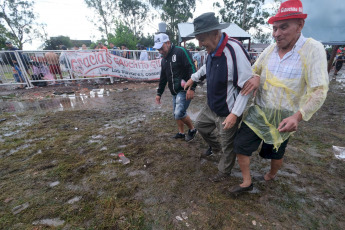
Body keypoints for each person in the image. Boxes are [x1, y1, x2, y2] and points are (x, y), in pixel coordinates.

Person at [229, 0, 329, 195]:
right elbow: (255, 69)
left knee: (275, 152)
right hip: (259, 112)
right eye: (274, 28)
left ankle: (272, 174)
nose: (276, 34)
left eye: (283, 27)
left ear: (300, 25)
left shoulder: (312, 49)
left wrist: (297, 116)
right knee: (240, 145)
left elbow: (319, 90)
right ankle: (247, 182)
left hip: (285, 116)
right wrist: (256, 77)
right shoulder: (270, 50)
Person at [184, 12, 257, 182]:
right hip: (211, 105)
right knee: (200, 125)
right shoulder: (212, 49)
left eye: (202, 39)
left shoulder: (234, 50)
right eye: (197, 39)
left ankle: (224, 172)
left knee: (228, 146)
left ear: (216, 33)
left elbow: (245, 88)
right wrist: (193, 78)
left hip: (227, 110)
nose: (200, 44)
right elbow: (206, 67)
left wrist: (235, 114)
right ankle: (215, 148)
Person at [154, 33, 198, 142]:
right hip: (174, 91)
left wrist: (192, 88)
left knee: (179, 113)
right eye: (158, 49)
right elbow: (163, 77)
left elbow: (192, 68)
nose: (160, 51)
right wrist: (159, 93)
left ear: (168, 43)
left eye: (161, 48)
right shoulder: (164, 60)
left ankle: (192, 130)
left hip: (184, 89)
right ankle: (181, 133)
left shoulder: (180, 51)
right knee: (176, 114)